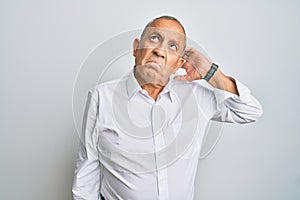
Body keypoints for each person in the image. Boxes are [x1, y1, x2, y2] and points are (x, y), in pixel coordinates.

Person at [72, 15, 263, 200]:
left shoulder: (196, 96)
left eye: (173, 46)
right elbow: (87, 171)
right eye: (154, 38)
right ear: (136, 47)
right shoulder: (102, 96)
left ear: (179, 63)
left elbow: (250, 111)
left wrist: (209, 72)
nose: (160, 51)